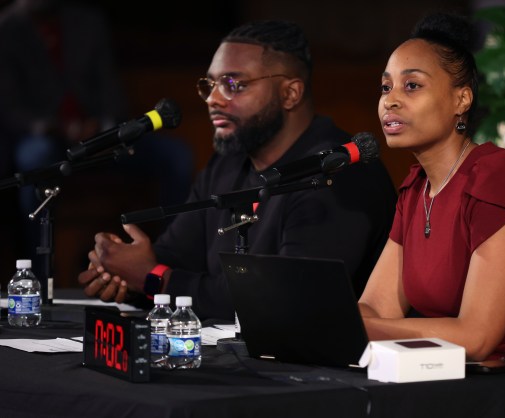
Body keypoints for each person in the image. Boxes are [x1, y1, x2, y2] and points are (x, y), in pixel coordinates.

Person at [77, 20, 397, 320]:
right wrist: (124, 275)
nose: (214, 99)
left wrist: (153, 279)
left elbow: (284, 299)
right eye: (210, 85)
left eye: (233, 84)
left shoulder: (339, 173)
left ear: (290, 93)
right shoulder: (226, 165)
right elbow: (170, 260)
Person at [357, 12, 505, 382]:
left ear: (462, 99)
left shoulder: (497, 176)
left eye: (412, 86)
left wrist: (354, 326)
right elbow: (374, 307)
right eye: (386, 87)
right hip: (454, 379)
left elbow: (477, 338)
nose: (390, 101)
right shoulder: (415, 187)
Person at [0, 0, 193, 263]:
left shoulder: (87, 22)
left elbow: (112, 92)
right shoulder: (7, 27)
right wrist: (54, 126)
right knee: (34, 160)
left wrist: (102, 124)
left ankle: (174, 259)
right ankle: (36, 269)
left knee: (177, 155)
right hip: (46, 138)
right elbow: (9, 108)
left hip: (102, 136)